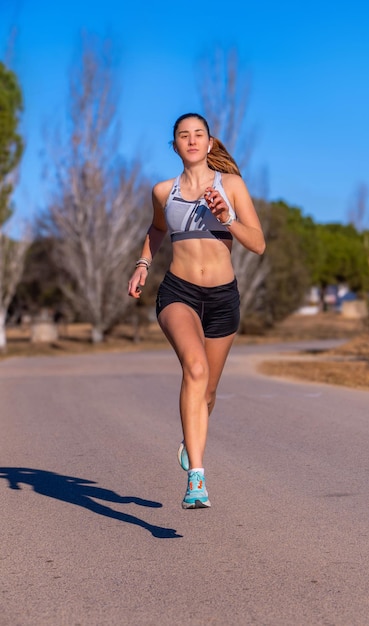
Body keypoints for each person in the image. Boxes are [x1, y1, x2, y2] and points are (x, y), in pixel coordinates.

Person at [128, 113, 265, 509]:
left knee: (207, 393)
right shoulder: (162, 191)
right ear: (175, 146)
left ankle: (192, 438)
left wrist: (228, 218)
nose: (191, 140)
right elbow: (156, 230)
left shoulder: (232, 186)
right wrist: (142, 264)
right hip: (178, 292)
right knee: (195, 369)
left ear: (209, 143)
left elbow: (257, 244)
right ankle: (197, 480)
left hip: (224, 298)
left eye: (198, 134)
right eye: (183, 135)